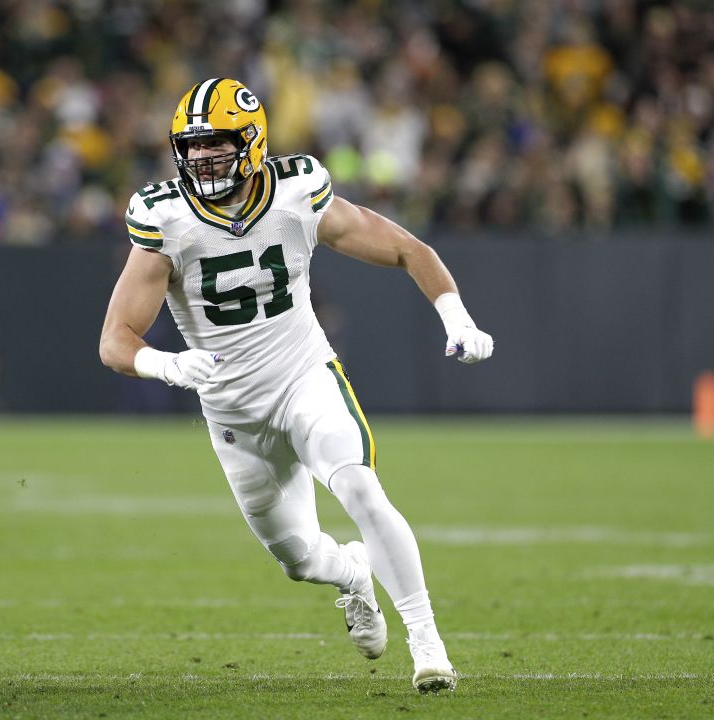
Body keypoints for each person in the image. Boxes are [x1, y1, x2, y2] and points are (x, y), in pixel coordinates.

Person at [99, 78, 494, 694]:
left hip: (304, 376)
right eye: (192, 147)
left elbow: (405, 248)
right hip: (232, 411)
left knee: (361, 488)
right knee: (301, 559)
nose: (201, 159)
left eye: (215, 145)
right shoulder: (165, 216)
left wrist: (457, 317)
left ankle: (428, 644)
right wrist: (165, 364)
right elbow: (116, 339)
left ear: (252, 143)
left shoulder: (296, 191)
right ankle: (353, 577)